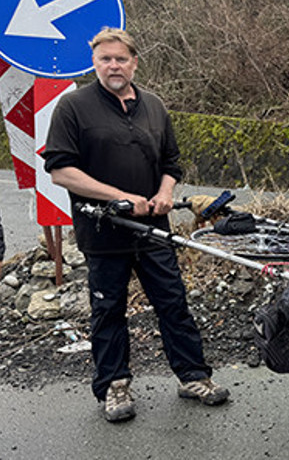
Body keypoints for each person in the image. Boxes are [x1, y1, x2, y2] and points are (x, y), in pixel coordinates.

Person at [42, 27, 229, 422]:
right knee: (108, 311)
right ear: (94, 62)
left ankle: (193, 376)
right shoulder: (73, 107)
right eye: (106, 59)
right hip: (103, 230)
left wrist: (164, 192)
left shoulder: (154, 106)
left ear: (134, 62)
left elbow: (171, 163)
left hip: (154, 228)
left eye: (121, 59)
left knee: (173, 304)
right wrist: (115, 197)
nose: (114, 65)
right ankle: (114, 386)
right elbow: (60, 171)